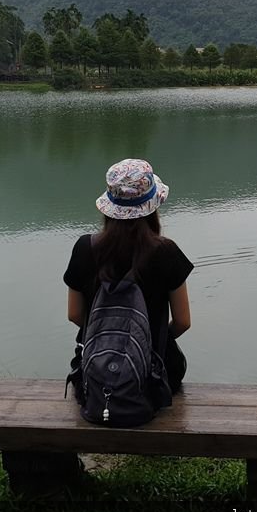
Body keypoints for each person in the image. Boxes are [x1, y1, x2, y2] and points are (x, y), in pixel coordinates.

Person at [63, 158, 192, 393]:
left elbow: (74, 314)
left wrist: (105, 334)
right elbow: (183, 322)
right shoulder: (166, 251)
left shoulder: (84, 247)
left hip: (95, 375)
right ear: (152, 206)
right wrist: (152, 339)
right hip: (155, 377)